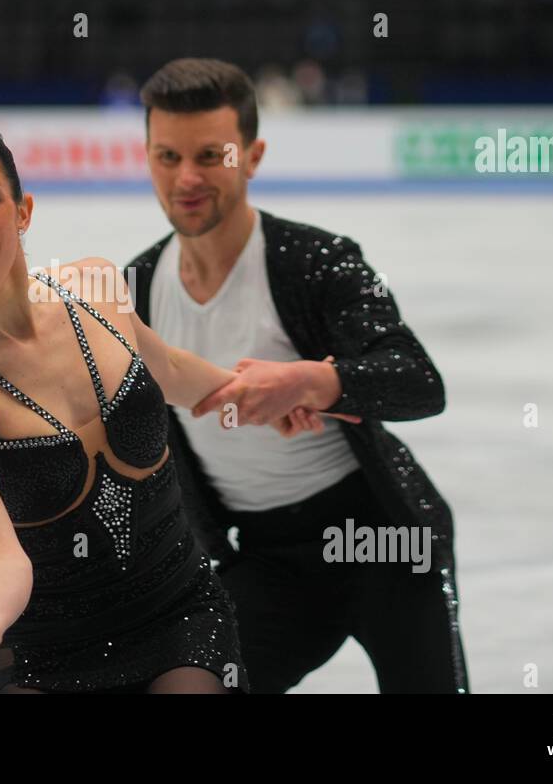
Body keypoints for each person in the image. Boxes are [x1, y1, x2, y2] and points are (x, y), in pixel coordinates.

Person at [0, 118, 342, 694]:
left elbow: (172, 373)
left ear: (23, 210)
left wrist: (278, 392)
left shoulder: (95, 289)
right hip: (47, 652)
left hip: (179, 616)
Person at [122, 58, 470, 693]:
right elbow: (106, 434)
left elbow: (417, 380)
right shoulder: (135, 291)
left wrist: (314, 382)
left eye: (210, 155)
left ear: (252, 157)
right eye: (167, 156)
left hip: (381, 543)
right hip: (264, 557)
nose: (187, 177)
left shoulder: (315, 262)